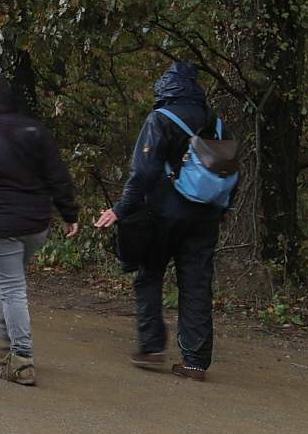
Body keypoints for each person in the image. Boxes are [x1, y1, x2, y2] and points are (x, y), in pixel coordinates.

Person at [95, 61, 224, 381]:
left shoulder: (161, 119)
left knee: (150, 275)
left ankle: (152, 347)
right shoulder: (217, 124)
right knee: (196, 285)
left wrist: (120, 209)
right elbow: (228, 173)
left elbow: (143, 172)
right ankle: (195, 362)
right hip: (205, 217)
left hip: (163, 215)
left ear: (165, 88)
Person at [0, 72, 79, 386]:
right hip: (36, 224)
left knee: (12, 288)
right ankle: (4, 339)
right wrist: (69, 213)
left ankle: (22, 359)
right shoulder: (33, 130)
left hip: (0, 225)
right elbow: (57, 174)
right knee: (13, 282)